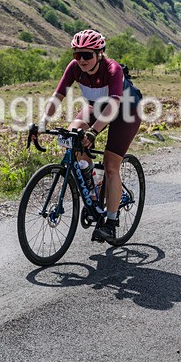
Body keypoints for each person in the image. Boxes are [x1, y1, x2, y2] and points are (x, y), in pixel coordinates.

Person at [29, 29, 142, 244]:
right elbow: (58, 95)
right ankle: (93, 186)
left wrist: (94, 131)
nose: (81, 60)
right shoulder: (74, 68)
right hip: (97, 107)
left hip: (126, 112)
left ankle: (110, 222)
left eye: (87, 55)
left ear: (100, 53)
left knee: (110, 165)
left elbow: (113, 105)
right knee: (74, 134)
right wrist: (42, 122)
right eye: (77, 54)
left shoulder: (112, 69)